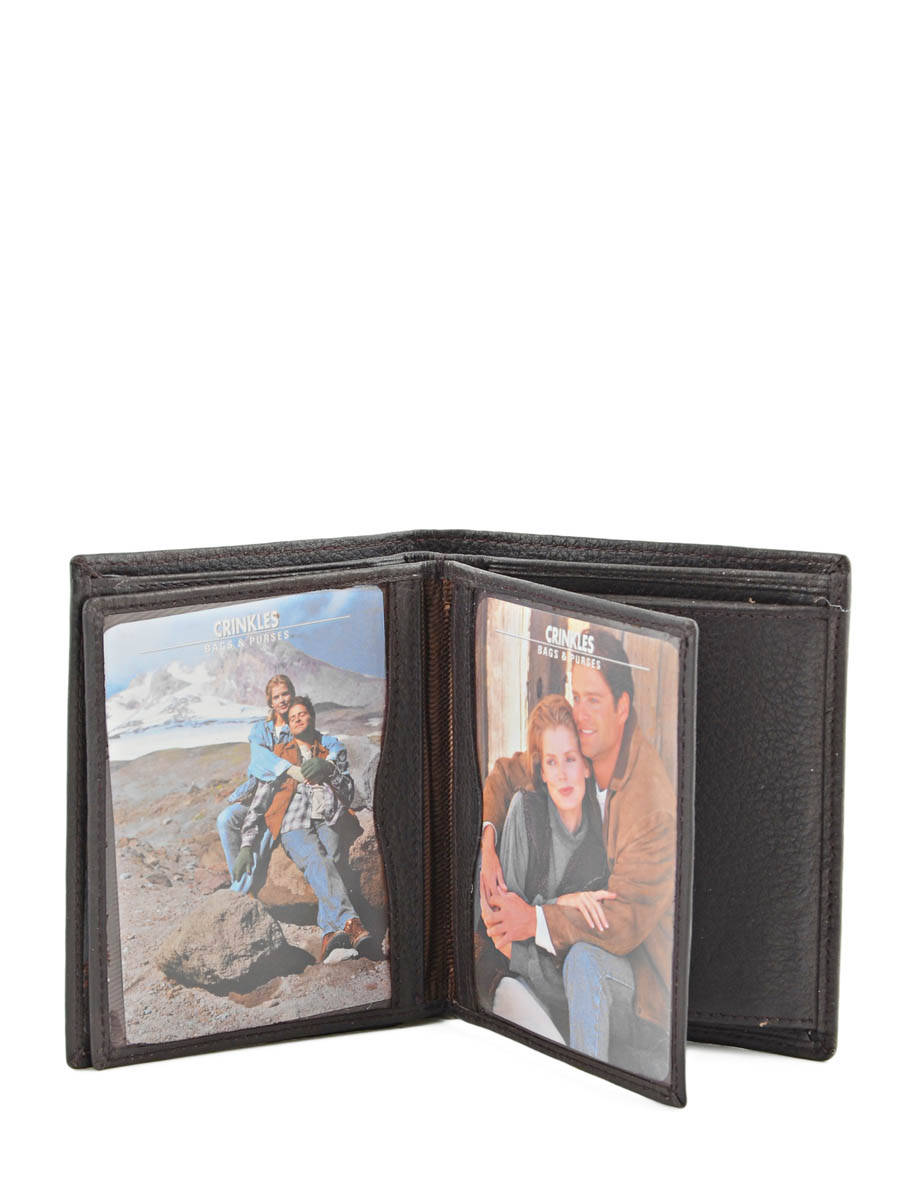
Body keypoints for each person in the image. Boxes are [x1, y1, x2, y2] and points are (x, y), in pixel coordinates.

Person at [479, 631, 675, 1078]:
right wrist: (488, 838)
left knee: (583, 962)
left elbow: (619, 921)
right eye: (576, 696)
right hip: (559, 964)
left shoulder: (650, 809)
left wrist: (537, 918)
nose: (581, 713)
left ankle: (589, 1084)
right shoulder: (582, 748)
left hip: (639, 987)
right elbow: (507, 772)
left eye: (594, 700)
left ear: (622, 707)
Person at [479, 695, 617, 1050]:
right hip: (514, 980)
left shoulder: (601, 844)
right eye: (551, 762)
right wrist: (562, 904)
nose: (562, 775)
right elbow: (504, 938)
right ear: (541, 771)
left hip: (570, 993)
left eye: (570, 759)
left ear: (587, 765)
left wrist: (538, 915)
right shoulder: (525, 812)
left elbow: (588, 946)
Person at [232, 696, 373, 962]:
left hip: (327, 817)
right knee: (316, 859)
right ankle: (351, 922)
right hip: (293, 821)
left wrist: (328, 769)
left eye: (302, 713)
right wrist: (247, 844)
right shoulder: (279, 753)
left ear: (312, 717)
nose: (297, 718)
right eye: (293, 716)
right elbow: (261, 799)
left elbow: (347, 792)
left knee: (334, 859)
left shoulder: (329, 749)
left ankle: (330, 935)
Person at [216, 674, 352, 894]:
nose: (282, 700)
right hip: (260, 792)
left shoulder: (296, 723)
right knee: (226, 819)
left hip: (284, 794)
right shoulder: (261, 730)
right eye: (276, 697)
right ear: (270, 702)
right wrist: (290, 769)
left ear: (293, 694)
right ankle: (238, 877)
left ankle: (240, 891)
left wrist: (328, 762)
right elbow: (259, 760)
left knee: (267, 831)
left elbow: (327, 742)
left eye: (286, 694)